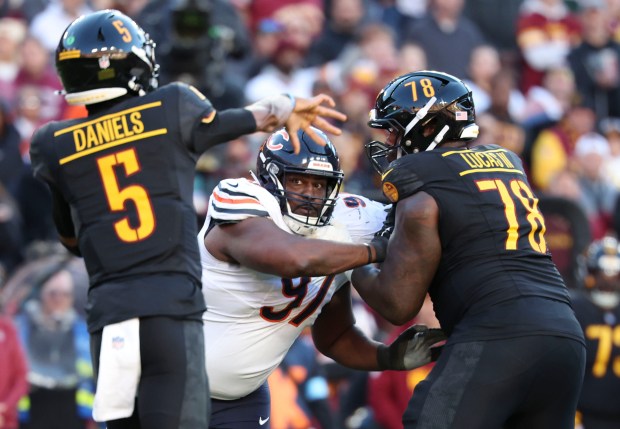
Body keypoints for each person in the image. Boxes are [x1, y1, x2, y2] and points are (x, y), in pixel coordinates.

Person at [27, 9, 349, 429]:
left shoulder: (52, 145)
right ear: (137, 66)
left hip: (110, 320)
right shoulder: (170, 107)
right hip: (168, 313)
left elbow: (70, 241)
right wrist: (286, 105)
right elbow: (250, 117)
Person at [351, 70, 587, 428]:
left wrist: (355, 258)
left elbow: (397, 305)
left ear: (426, 128)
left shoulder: (421, 190)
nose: (389, 141)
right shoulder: (507, 161)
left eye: (395, 130)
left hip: (498, 334)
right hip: (565, 334)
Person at [198, 126, 446, 428]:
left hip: (242, 399)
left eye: (319, 184)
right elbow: (294, 258)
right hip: (170, 380)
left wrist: (387, 357)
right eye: (298, 180)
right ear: (270, 178)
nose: (310, 194)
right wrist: (375, 249)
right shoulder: (239, 196)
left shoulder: (342, 229)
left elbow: (336, 337)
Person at [570, 236, 620, 429]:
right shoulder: (577, 309)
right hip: (584, 415)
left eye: (614, 275)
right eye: (602, 273)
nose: (608, 281)